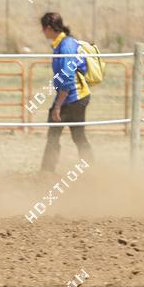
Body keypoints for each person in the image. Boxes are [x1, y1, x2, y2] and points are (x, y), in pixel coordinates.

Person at [39, 12, 94, 173]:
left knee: (61, 133)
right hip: (70, 96)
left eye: (43, 28)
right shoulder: (61, 44)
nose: (43, 32)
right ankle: (89, 168)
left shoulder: (66, 45)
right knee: (74, 135)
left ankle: (47, 171)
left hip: (74, 97)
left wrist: (58, 106)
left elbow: (68, 78)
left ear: (49, 28)